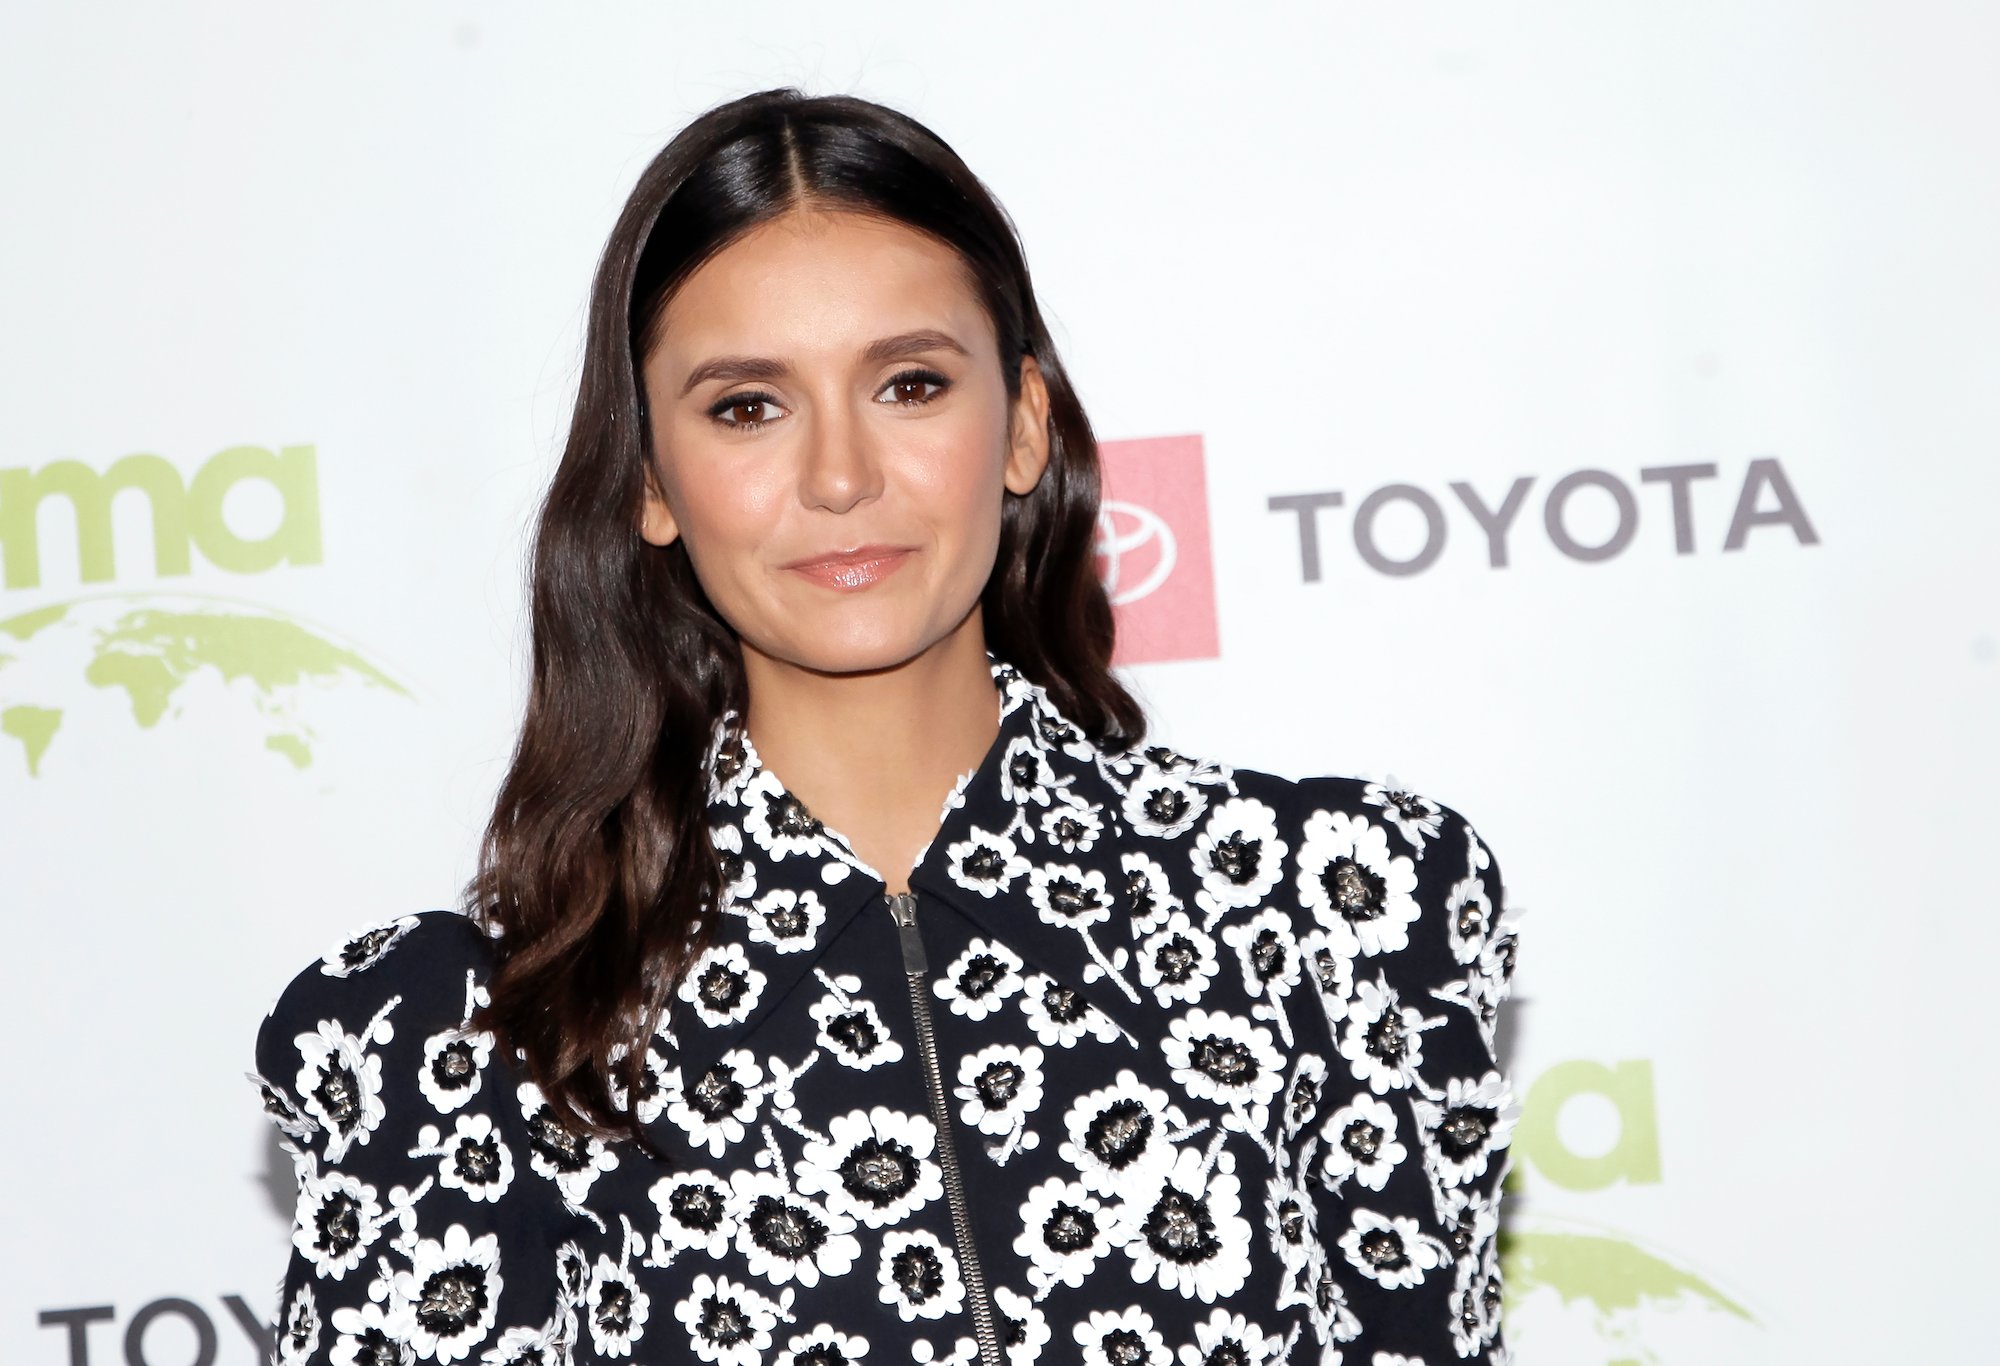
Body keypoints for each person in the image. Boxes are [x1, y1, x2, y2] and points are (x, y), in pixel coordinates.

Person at [249, 87, 1520, 1366]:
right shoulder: (467, 1038)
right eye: (748, 405)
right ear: (648, 479)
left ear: (1022, 425)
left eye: (909, 384)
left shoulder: (1337, 915)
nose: (841, 477)